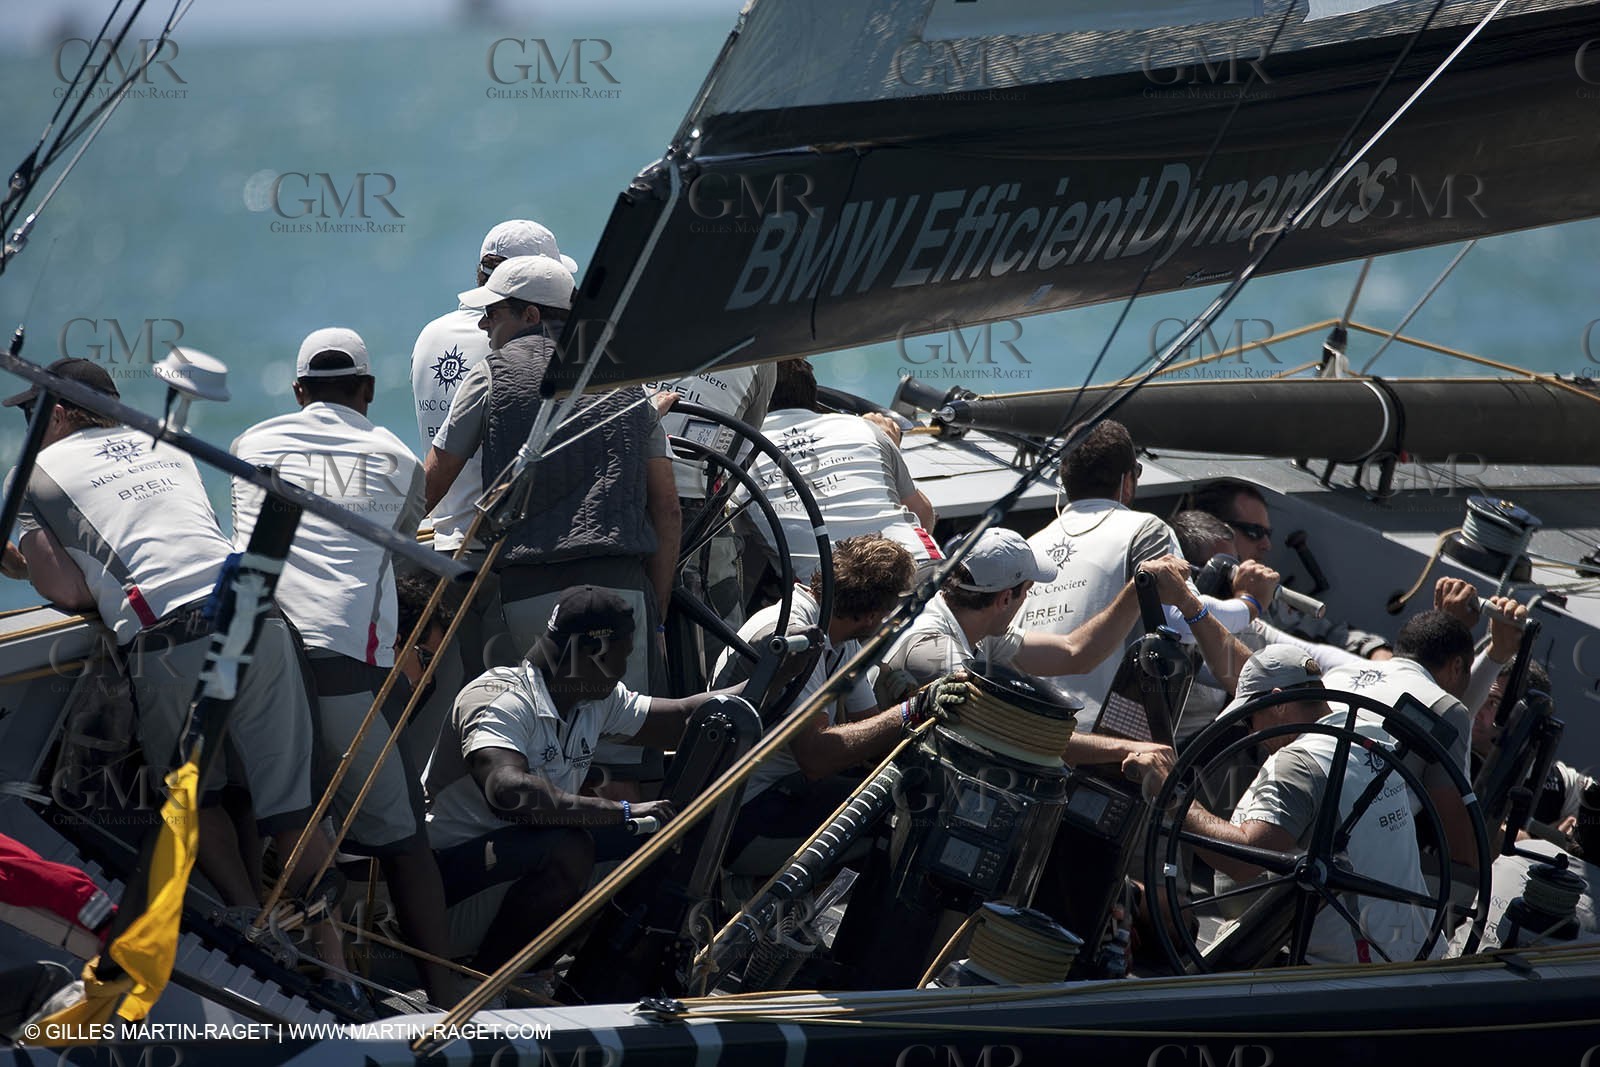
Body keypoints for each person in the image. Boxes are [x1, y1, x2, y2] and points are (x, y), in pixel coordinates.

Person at [0, 358, 351, 983]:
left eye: (34, 414)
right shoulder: (166, 443)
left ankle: (250, 926)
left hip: (170, 638)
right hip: (257, 614)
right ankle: (339, 967)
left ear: (61, 414)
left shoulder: (31, 476)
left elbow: (69, 590)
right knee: (293, 811)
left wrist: (18, 560)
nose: (31, 428)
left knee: (196, 797)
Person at [231, 328, 457, 1004]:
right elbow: (402, 544)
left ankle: (274, 979)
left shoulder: (248, 443)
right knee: (404, 839)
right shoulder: (395, 456)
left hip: (250, 660)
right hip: (340, 668)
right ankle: (449, 1000)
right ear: (368, 391)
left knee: (262, 812)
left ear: (299, 391)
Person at [423, 254, 681, 799]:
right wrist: (655, 611)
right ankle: (630, 847)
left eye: (493, 313)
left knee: (546, 753)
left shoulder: (490, 374)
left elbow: (432, 481)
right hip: (622, 592)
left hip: (531, 595)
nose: (483, 326)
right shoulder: (625, 380)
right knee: (624, 757)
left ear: (531, 315)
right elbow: (668, 509)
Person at [422, 586, 729, 971]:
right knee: (569, 848)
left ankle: (561, 979)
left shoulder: (593, 699)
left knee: (657, 841)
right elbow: (508, 792)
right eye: (624, 655)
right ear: (593, 653)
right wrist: (622, 811)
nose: (624, 669)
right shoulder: (497, 697)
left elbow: (683, 719)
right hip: (439, 894)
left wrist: (774, 676)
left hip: (508, 873)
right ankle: (484, 984)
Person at [1146, 645, 1433, 965]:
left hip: (1341, 968)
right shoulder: (1369, 736)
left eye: (1250, 719)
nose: (1252, 731)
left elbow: (1243, 861)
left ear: (1279, 703)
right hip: (1417, 950)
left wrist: (1172, 794)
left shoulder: (1298, 762)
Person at [878, 527, 1203, 767]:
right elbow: (1018, 736)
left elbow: (1074, 653)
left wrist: (1137, 589)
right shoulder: (936, 650)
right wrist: (1127, 749)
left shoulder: (975, 623)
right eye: (1027, 590)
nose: (1026, 599)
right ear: (1005, 598)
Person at [1023, 420, 1273, 728]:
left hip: (1026, 730)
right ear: (1127, 480)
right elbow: (1180, 621)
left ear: (1064, 478)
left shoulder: (1029, 547)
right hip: (1104, 739)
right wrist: (1250, 603)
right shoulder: (1145, 530)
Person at [411, 220, 578, 674]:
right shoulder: (524, 344)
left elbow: (436, 461)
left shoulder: (430, 335)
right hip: (507, 554)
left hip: (445, 546)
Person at [711, 534, 918, 863]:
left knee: (909, 792)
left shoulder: (839, 635)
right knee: (905, 820)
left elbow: (872, 735)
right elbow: (816, 757)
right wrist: (911, 711)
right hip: (735, 819)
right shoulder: (795, 636)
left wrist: (916, 709)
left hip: (780, 792)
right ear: (873, 615)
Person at [741, 358, 939, 591]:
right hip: (919, 572)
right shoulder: (867, 429)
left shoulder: (738, 452)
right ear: (812, 394)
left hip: (835, 596)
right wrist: (890, 448)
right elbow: (923, 516)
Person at [645, 363, 778, 682]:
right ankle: (727, 687)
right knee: (727, 648)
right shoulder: (763, 356)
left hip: (624, 492)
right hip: (698, 510)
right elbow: (742, 453)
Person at [1322, 610, 1480, 867]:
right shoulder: (1447, 709)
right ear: (1457, 667)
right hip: (1345, 845)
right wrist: (1470, 874)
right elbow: (1451, 817)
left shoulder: (1338, 673)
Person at [1192, 479, 1394, 659]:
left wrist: (1374, 650)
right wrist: (1246, 602)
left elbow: (1322, 632)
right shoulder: (1187, 597)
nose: (1266, 545)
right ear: (1217, 530)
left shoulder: (1266, 596)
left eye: (1268, 534)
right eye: (1254, 532)